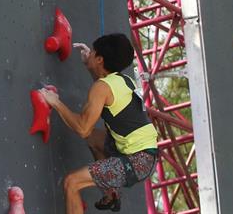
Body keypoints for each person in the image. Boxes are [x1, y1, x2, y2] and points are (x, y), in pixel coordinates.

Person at [39, 33, 158, 214]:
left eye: (93, 52)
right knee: (92, 138)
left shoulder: (102, 87)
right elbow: (103, 92)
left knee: (72, 182)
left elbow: (81, 127)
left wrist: (55, 102)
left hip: (137, 161)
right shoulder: (124, 81)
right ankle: (111, 193)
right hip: (145, 153)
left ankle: (110, 190)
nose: (90, 53)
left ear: (101, 59)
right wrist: (90, 64)